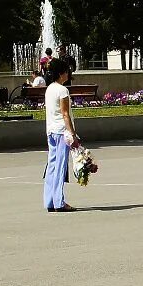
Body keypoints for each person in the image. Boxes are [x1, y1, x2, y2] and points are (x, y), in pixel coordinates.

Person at [43, 57, 81, 212]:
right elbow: (65, 114)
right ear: (61, 73)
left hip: (51, 130)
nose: (68, 74)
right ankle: (59, 201)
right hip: (61, 132)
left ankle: (49, 201)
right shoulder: (62, 90)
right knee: (60, 167)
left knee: (52, 165)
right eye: (66, 71)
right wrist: (72, 133)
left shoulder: (50, 88)